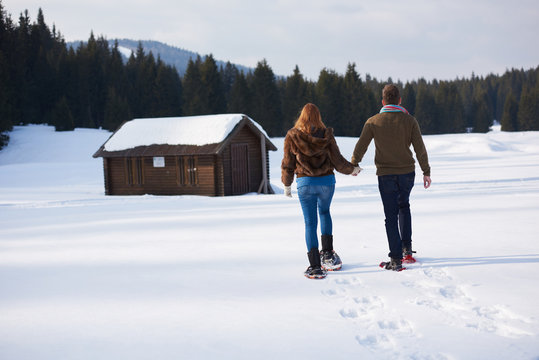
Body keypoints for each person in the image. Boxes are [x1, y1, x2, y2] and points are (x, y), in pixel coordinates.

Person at [351, 84, 431, 271]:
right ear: (400, 100)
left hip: (386, 174)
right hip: (407, 174)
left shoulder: (373, 121)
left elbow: (361, 146)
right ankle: (407, 250)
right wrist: (426, 171)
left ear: (383, 101)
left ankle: (395, 259)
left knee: (390, 215)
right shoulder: (410, 121)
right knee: (404, 206)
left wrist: (354, 164)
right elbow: (420, 148)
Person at [282, 103, 361, 279]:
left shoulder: (292, 136)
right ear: (318, 116)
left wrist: (287, 185)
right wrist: (352, 170)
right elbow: (337, 160)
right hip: (326, 182)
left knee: (310, 223)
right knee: (324, 212)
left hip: (305, 183)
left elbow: (287, 163)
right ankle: (327, 254)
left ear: (301, 116)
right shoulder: (326, 135)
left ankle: (315, 266)